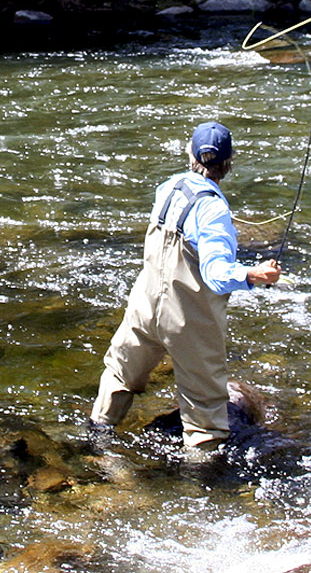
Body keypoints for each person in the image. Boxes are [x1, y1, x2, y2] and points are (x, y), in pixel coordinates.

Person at [90, 120, 281, 457]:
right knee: (205, 417)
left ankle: (95, 446)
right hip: (189, 323)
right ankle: (198, 489)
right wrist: (254, 274)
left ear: (189, 153)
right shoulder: (215, 211)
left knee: (119, 374)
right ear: (229, 162)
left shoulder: (168, 187)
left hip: (144, 306)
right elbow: (217, 274)